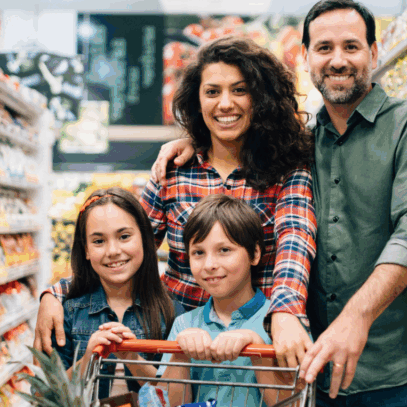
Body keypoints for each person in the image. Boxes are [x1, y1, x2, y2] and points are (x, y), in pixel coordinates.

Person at [151, 0, 407, 407]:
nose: (338, 59)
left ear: (374, 52)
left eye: (351, 46)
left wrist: (339, 317)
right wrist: (195, 139)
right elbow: (238, 151)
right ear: (306, 58)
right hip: (318, 372)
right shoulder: (296, 144)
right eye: (324, 48)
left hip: (405, 370)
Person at [35, 36, 317, 373]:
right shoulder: (174, 171)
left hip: (257, 343)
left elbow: (295, 242)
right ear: (197, 101)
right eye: (212, 92)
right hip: (179, 340)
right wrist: (58, 293)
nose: (225, 103)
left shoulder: (286, 170)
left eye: (240, 90)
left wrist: (285, 312)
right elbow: (127, 246)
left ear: (262, 98)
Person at [159, 195, 294, 407]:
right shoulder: (184, 324)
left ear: (254, 254)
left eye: (224, 250)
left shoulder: (283, 322)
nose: (209, 264)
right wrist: (180, 356)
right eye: (198, 253)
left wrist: (257, 348)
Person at [51, 187, 181, 398]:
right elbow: (45, 396)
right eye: (98, 241)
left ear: (144, 238)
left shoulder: (171, 312)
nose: (113, 251)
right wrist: (88, 359)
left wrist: (132, 357)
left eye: (124, 236)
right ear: (86, 250)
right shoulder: (68, 313)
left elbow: (177, 397)